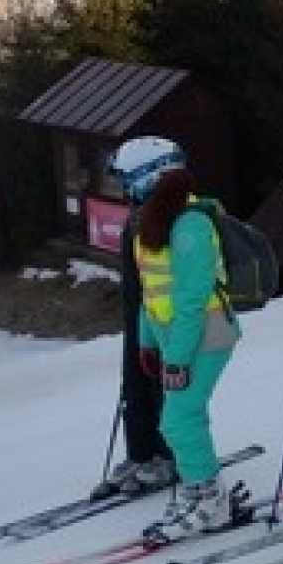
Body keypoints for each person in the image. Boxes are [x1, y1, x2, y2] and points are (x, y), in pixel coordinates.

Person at [109, 136, 248, 544]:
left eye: (127, 180)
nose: (124, 190)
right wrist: (148, 343)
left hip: (206, 333)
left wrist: (178, 357)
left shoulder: (190, 224)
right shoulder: (150, 224)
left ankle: (211, 503)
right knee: (185, 417)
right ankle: (198, 492)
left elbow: (191, 298)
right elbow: (152, 293)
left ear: (148, 177)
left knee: (178, 420)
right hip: (175, 337)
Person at [87, 200, 176, 501]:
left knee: (163, 387)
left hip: (168, 320)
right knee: (135, 384)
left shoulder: (173, 217)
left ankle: (169, 455)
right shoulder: (137, 219)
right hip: (141, 315)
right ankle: (141, 452)